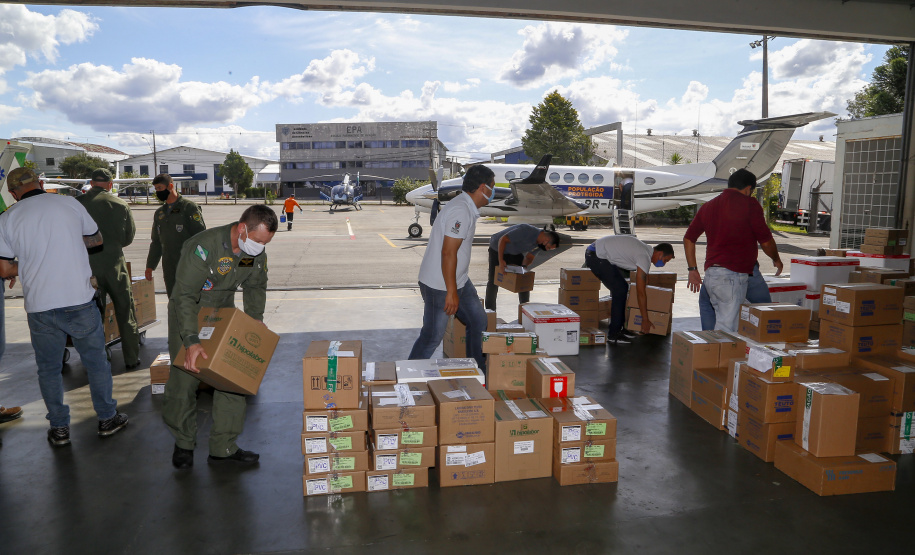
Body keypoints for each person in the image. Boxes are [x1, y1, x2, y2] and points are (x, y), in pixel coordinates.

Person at [0, 168, 128, 446]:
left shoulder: (7, 218)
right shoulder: (69, 203)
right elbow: (96, 241)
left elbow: (3, 268)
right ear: (40, 183)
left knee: (48, 370)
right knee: (96, 363)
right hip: (78, 301)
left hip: (39, 306)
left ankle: (59, 428)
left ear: (12, 193)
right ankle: (107, 418)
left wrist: (31, 262)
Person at [164, 205, 276, 469]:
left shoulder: (254, 252)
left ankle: (223, 447)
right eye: (258, 241)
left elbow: (256, 284)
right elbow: (184, 296)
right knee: (186, 376)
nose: (260, 247)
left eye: (266, 243)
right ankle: (183, 442)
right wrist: (191, 340)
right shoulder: (203, 246)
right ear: (242, 229)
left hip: (223, 309)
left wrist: (254, 320)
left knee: (233, 375)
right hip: (190, 309)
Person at [409, 165, 495, 370]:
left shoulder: (466, 207)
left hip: (458, 280)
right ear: (483, 188)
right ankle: (407, 376)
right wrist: (451, 292)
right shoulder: (461, 211)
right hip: (440, 285)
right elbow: (448, 252)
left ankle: (476, 370)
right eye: (492, 187)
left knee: (477, 320)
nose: (493, 192)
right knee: (432, 337)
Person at [684, 168, 783, 332]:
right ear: (748, 189)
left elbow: (688, 238)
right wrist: (776, 259)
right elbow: (766, 242)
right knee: (727, 330)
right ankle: (718, 356)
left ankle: (706, 352)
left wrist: (692, 269)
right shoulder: (749, 204)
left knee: (708, 310)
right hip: (732, 277)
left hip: (711, 275)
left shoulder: (708, 206)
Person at [77, 168, 140, 369]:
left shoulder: (77, 205)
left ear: (92, 183)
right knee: (125, 311)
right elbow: (128, 238)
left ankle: (100, 357)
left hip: (87, 268)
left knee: (94, 316)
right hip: (115, 266)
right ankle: (131, 357)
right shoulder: (120, 204)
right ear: (110, 184)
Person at [585, 236, 675, 344]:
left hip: (600, 253)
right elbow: (640, 292)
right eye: (665, 260)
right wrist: (645, 319)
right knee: (620, 290)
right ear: (660, 253)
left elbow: (644, 278)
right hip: (596, 255)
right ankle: (614, 334)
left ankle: (619, 329)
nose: (663, 264)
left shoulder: (645, 250)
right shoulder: (644, 256)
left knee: (622, 288)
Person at [145, 173, 206, 297]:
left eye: (160, 188)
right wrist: (150, 266)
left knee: (190, 300)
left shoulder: (189, 208)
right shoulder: (159, 213)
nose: (158, 192)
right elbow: (156, 242)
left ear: (170, 186)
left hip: (188, 263)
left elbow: (201, 237)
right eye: (156, 189)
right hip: (169, 265)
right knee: (173, 298)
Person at [485, 224, 559, 310]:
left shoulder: (540, 245)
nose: (547, 249)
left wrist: (523, 267)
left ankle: (525, 310)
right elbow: (503, 239)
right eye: (548, 247)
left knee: (523, 280)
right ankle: (490, 311)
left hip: (515, 252)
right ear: (547, 240)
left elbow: (529, 257)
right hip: (497, 247)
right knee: (493, 281)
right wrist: (501, 261)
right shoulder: (526, 231)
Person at [699, 263, 770, 330]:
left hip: (713, 270)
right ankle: (721, 341)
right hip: (734, 269)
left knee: (709, 306)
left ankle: (710, 340)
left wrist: (693, 269)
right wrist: (776, 259)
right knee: (728, 323)